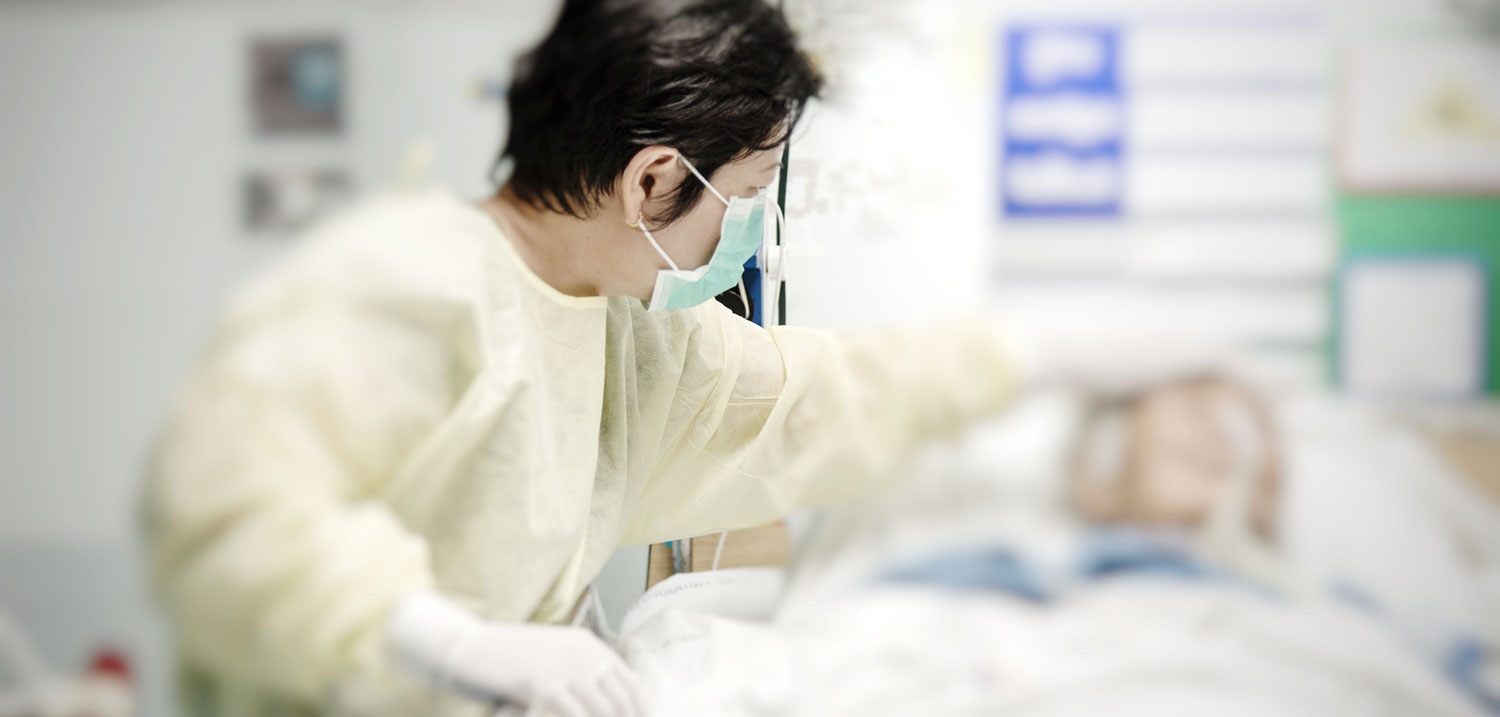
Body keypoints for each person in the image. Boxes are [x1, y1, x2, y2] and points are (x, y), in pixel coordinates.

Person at [141, 1, 1214, 715]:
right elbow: (224, 513)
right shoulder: (401, 279)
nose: (747, 231)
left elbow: (812, 401)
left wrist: (1034, 356)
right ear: (653, 181)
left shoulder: (628, 331)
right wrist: (447, 640)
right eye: (746, 197)